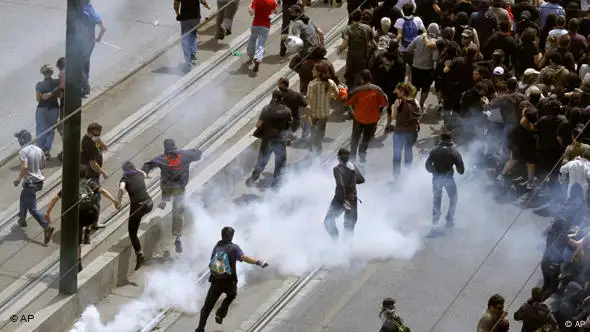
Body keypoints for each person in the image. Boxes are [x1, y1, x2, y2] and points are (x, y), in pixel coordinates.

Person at [45, 165, 119, 272]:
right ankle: (88, 229)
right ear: (86, 174)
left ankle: (78, 261)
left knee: (76, 241)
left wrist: (48, 212)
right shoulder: (90, 183)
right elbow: (103, 191)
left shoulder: (70, 186)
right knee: (96, 204)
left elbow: (55, 198)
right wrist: (115, 201)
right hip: (91, 216)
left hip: (78, 216)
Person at [195, 226, 269, 332]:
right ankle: (220, 313)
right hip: (229, 281)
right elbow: (244, 258)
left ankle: (200, 329)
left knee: (206, 307)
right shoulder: (233, 248)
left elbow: (211, 262)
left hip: (216, 282)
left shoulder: (218, 245)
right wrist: (258, 262)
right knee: (231, 295)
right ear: (231, 236)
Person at [142, 139, 202, 253]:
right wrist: (188, 152)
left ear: (165, 148)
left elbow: (148, 165)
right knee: (178, 211)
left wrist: (145, 173)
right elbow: (198, 153)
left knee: (164, 184)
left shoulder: (162, 158)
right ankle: (177, 236)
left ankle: (164, 199)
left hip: (167, 187)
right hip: (179, 189)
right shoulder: (184, 154)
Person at [13, 130, 54, 245]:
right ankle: (22, 218)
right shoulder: (39, 149)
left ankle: (46, 227)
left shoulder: (23, 151)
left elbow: (24, 167)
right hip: (39, 181)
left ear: (21, 140)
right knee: (23, 196)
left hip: (30, 183)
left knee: (33, 209)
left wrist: (18, 179)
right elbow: (43, 165)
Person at [246, 90, 292, 187]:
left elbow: (258, 124)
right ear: (282, 98)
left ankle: (254, 176)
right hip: (280, 141)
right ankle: (275, 185)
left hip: (267, 141)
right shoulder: (287, 111)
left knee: (262, 161)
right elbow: (289, 123)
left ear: (272, 97)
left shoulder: (266, 109)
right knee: (280, 163)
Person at [345, 70, 388, 165]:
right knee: (366, 139)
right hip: (372, 120)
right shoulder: (378, 90)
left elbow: (347, 102)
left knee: (355, 138)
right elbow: (384, 103)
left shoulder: (357, 90)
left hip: (359, 119)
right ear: (370, 78)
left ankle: (352, 158)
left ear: (361, 78)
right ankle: (362, 158)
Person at [115, 161, 153, 270]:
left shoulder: (125, 178)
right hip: (149, 203)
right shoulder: (140, 174)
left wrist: (119, 202)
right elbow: (145, 174)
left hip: (138, 206)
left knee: (132, 233)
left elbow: (121, 189)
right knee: (137, 218)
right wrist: (137, 170)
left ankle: (140, 255)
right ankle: (140, 255)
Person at [425, 130, 465, 230]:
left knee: (437, 197)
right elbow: (461, 170)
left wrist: (434, 171)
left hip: (436, 178)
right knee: (453, 198)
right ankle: (450, 219)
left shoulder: (434, 150)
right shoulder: (454, 152)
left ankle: (436, 217)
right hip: (448, 178)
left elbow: (427, 166)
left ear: (441, 139)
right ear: (450, 140)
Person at [323, 148, 365, 240]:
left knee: (328, 221)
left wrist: (343, 202)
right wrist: (353, 173)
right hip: (353, 200)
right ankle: (346, 250)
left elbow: (340, 186)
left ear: (339, 158)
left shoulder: (337, 169)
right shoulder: (352, 167)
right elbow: (361, 180)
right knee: (349, 227)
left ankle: (335, 241)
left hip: (341, 199)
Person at [81, 122, 109, 233]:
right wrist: (103, 172)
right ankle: (93, 223)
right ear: (90, 131)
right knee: (95, 199)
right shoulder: (89, 144)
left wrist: (100, 141)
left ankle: (89, 221)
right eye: (98, 132)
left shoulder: (95, 140)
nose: (100, 134)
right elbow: (92, 163)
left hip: (93, 175)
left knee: (91, 198)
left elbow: (105, 148)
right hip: (91, 175)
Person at [174, 0, 211, 70]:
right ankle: (192, 53)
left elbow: (176, 4)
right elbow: (202, 1)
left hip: (185, 18)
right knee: (193, 34)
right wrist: (207, 6)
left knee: (185, 38)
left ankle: (188, 63)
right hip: (195, 17)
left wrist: (177, 14)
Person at [80, 0, 106, 97]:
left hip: (83, 43)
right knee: (85, 64)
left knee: (79, 65)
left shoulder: (83, 11)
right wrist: (98, 38)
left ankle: (85, 87)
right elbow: (103, 28)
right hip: (90, 42)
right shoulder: (92, 11)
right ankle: (85, 87)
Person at [35, 64, 61, 159]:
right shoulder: (57, 82)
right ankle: (47, 150)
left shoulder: (39, 85)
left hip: (42, 108)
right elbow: (59, 94)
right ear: (52, 72)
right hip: (54, 108)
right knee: (51, 129)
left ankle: (39, 151)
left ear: (42, 73)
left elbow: (38, 99)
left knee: (41, 129)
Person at [246, 0, 279, 73]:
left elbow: (251, 12)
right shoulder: (272, 1)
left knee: (252, 40)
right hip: (266, 26)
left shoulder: (256, 1)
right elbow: (276, 11)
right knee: (261, 43)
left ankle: (251, 55)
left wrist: (249, 8)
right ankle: (258, 58)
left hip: (256, 24)